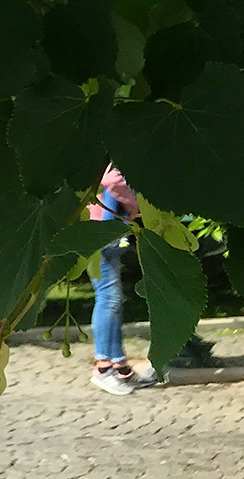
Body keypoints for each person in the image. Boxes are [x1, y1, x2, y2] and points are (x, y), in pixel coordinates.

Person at [90, 163, 156, 394]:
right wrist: (134, 205)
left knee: (113, 299)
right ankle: (103, 368)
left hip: (101, 229)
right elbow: (114, 182)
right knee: (108, 298)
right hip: (100, 231)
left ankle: (119, 367)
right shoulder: (119, 152)